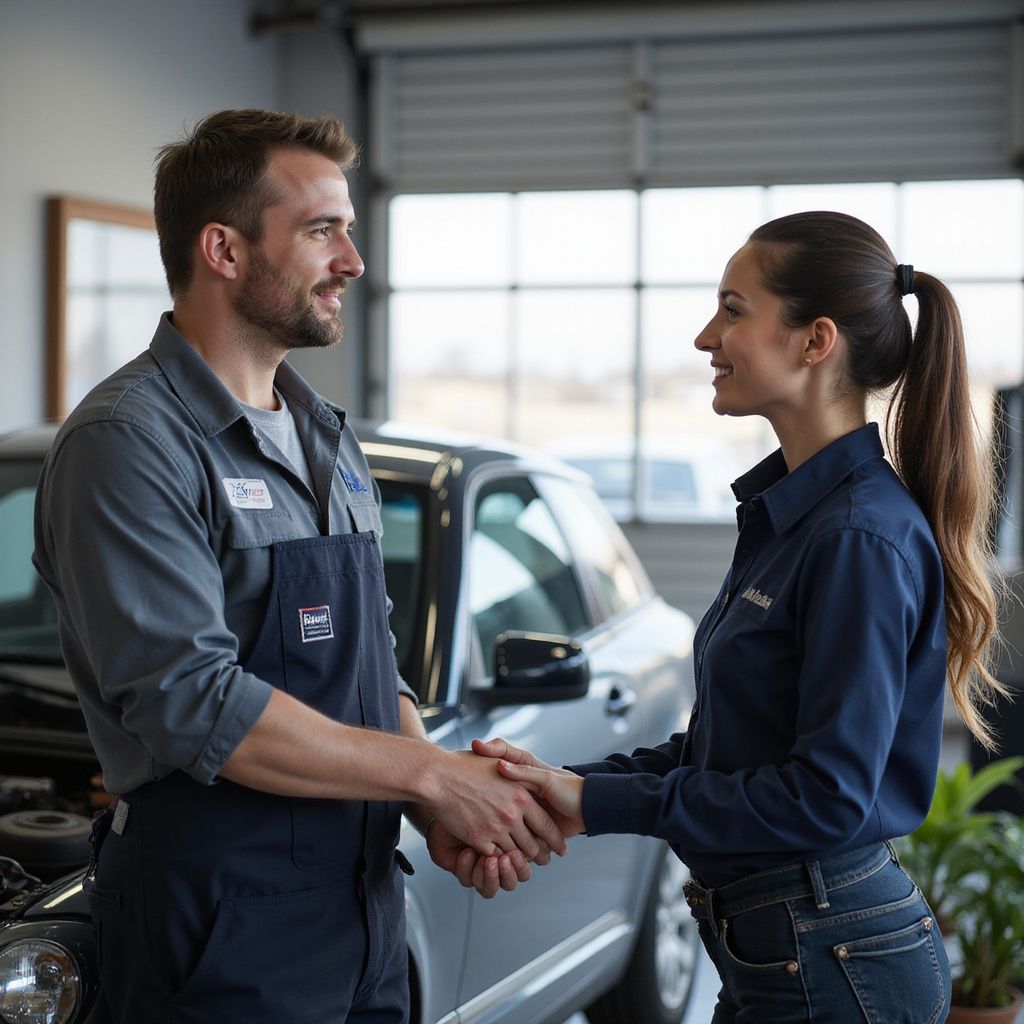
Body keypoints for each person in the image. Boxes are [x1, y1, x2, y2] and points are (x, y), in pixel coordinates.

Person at [32, 108, 564, 1024]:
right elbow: (192, 699)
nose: (353, 262)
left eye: (348, 230)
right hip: (217, 925)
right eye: (324, 231)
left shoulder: (322, 434)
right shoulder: (130, 442)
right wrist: (429, 779)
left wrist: (433, 802)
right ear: (225, 251)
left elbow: (371, 664)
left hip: (360, 911)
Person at [473, 211, 1008, 1022]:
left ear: (813, 340)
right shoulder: (793, 518)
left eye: (732, 309)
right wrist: (570, 787)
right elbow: (733, 749)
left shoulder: (856, 537)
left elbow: (823, 797)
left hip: (832, 962)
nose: (704, 337)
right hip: (787, 951)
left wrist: (596, 804)